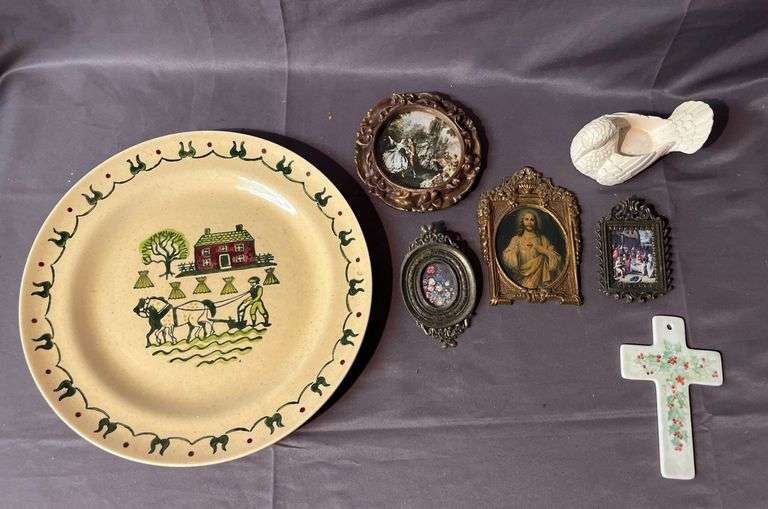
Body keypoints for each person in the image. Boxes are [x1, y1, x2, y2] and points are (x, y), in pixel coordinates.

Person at [501, 209, 562, 289]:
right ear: (522, 221)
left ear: (535, 222)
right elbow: (506, 257)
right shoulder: (516, 239)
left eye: (532, 220)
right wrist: (514, 253)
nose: (529, 222)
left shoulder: (542, 239)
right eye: (526, 219)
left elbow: (557, 259)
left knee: (542, 258)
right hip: (520, 280)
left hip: (539, 281)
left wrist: (545, 251)